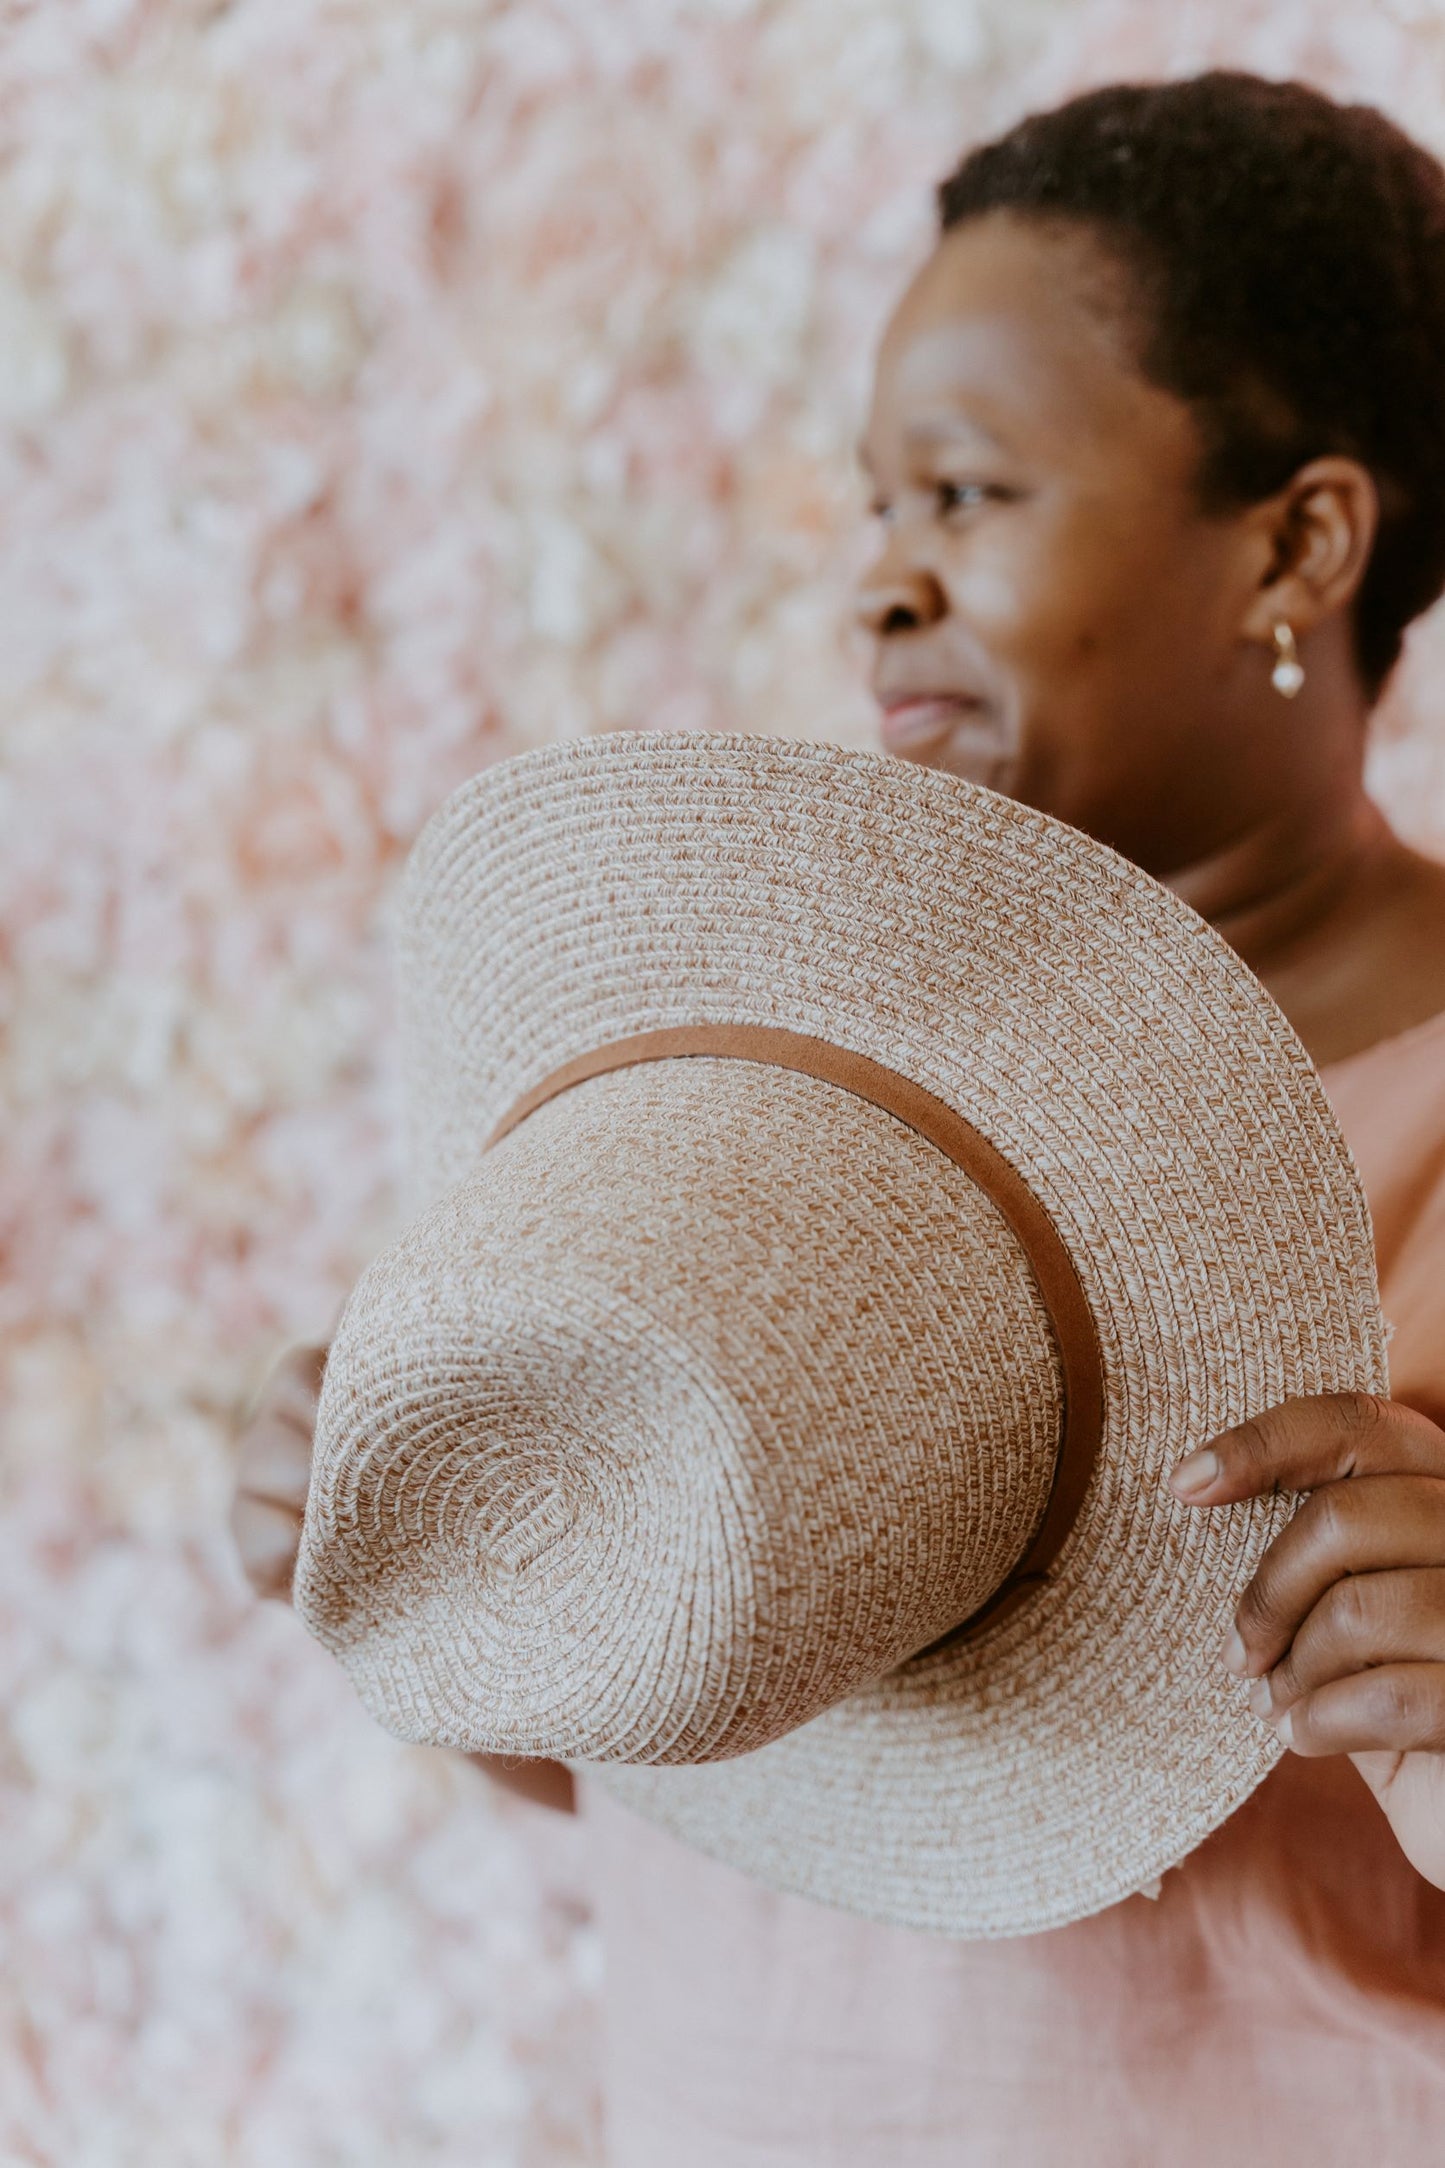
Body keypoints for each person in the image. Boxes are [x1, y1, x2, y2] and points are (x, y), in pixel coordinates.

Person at [233, 71, 1445, 2164]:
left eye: (968, 496)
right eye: (879, 509)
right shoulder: (783, 1093)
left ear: (1298, 541)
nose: (882, 583)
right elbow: (736, 1748)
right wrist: (485, 1527)